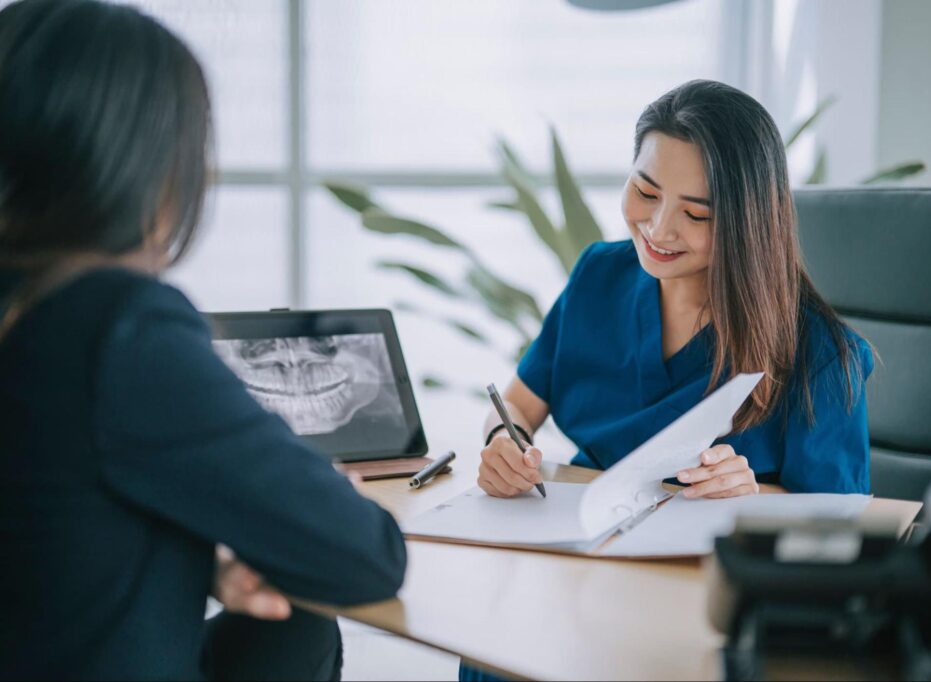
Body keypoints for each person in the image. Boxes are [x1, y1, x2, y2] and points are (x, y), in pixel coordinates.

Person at [0, 1, 405, 679]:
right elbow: (366, 555)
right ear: (140, 161)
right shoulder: (118, 326)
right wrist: (334, 510)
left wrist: (205, 564)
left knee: (286, 616)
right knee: (302, 610)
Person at [463, 75, 876, 682]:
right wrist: (506, 443)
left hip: (703, 599)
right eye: (644, 190)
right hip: (578, 562)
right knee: (493, 651)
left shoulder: (819, 352)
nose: (658, 228)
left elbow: (836, 522)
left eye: (696, 213)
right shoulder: (599, 274)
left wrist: (751, 495)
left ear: (748, 220)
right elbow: (518, 404)